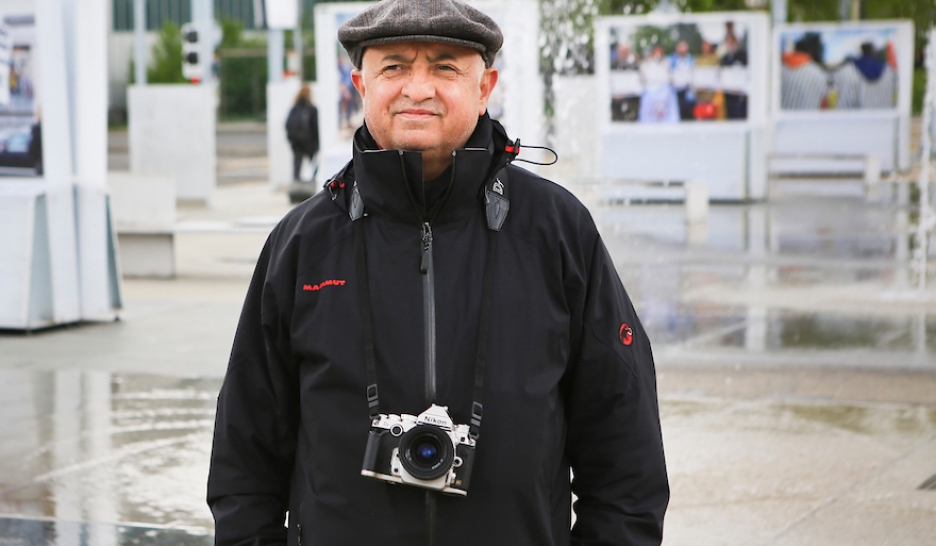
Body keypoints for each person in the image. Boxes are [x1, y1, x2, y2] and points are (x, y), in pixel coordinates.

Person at [207, 1, 669, 545]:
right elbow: (245, 456)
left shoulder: (558, 232)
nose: (417, 88)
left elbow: (625, 451)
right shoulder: (303, 243)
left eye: (445, 66)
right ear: (360, 83)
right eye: (394, 66)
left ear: (485, 86)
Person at [285, 83, 320, 184]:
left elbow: (288, 125)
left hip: (297, 142)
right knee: (313, 165)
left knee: (297, 165)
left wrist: (292, 139)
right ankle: (312, 185)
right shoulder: (312, 109)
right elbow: (315, 127)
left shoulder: (294, 109)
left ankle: (296, 186)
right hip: (310, 142)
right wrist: (317, 143)